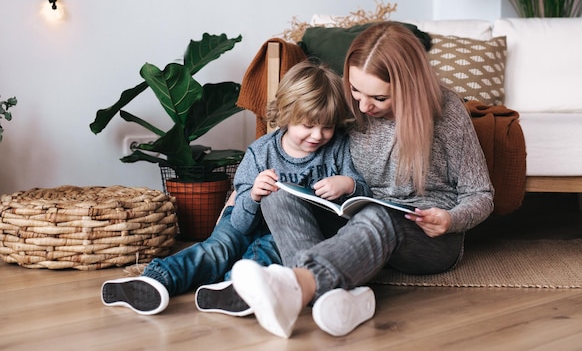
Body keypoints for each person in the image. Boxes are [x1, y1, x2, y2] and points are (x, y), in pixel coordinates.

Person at [230, 21, 495, 338]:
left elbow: (481, 194)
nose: (362, 106)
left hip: (427, 237)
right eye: (355, 90)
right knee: (278, 194)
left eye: (379, 98)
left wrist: (450, 219)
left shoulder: (447, 111)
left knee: (380, 214)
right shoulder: (350, 101)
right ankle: (338, 300)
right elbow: (304, 131)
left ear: (410, 87)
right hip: (354, 217)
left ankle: (298, 285)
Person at [100, 59, 371, 317]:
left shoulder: (338, 149)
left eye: (327, 127)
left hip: (290, 232)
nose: (317, 135)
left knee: (269, 252)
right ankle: (156, 280)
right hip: (245, 218)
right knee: (218, 248)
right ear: (287, 115)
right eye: (308, 125)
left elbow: (362, 197)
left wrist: (348, 183)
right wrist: (253, 195)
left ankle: (235, 290)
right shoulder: (260, 153)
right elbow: (240, 223)